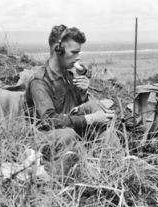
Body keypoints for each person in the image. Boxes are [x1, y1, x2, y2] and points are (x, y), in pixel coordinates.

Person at [25, 24, 116, 180]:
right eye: (74, 52)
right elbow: (50, 120)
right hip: (45, 133)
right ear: (57, 49)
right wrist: (91, 119)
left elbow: (77, 109)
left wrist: (82, 92)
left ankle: (115, 161)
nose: (77, 57)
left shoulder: (68, 76)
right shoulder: (39, 82)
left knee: (97, 106)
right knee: (69, 134)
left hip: (67, 125)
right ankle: (84, 173)